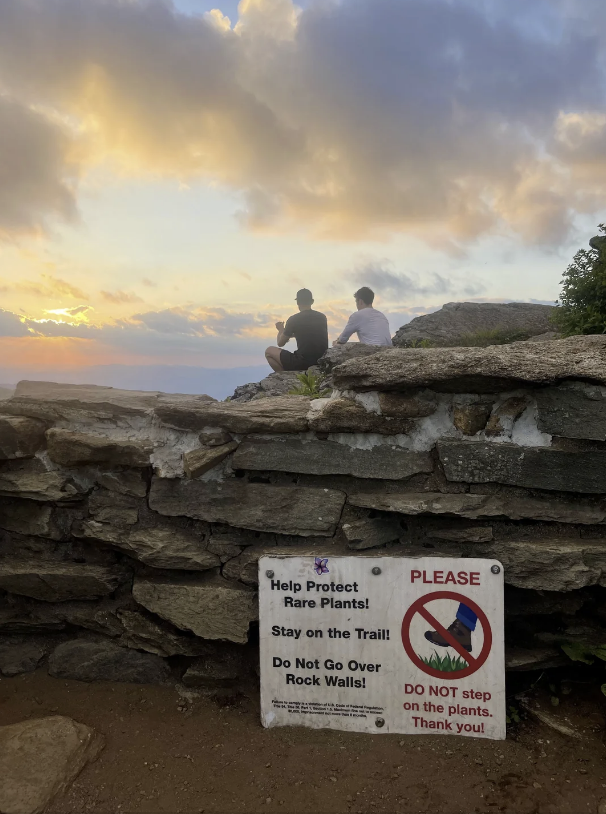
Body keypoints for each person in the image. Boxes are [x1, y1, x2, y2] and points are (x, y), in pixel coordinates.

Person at [265, 289, 329, 372]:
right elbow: (307, 333)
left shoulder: (293, 319)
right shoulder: (322, 317)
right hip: (321, 361)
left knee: (269, 351)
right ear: (312, 301)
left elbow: (280, 343)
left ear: (297, 302)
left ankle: (284, 378)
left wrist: (281, 329)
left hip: (303, 362)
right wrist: (289, 333)